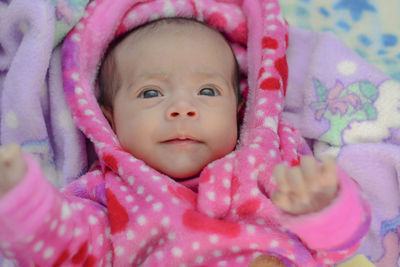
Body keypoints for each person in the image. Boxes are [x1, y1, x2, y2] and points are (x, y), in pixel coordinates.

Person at [0, 8, 370, 267]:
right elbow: (68, 250)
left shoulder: (273, 169)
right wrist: (24, 203)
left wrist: (325, 207)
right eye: (151, 93)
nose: (182, 108)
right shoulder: (108, 196)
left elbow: (343, 247)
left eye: (207, 92)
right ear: (108, 119)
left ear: (240, 109)